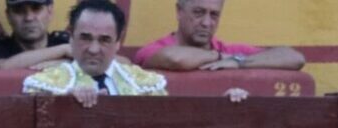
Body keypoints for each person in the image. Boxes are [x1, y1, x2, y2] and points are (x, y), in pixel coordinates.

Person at [24, 0, 246, 107]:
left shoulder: (145, 84)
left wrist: (222, 106)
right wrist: (63, 105)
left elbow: (176, 126)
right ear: (70, 37)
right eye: (85, 38)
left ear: (118, 43)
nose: (93, 49)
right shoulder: (44, 85)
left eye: (104, 40)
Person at [133, 0, 305, 72]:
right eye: (198, 12)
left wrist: (238, 62)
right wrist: (221, 57)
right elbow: (175, 59)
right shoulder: (154, 49)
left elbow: (294, 58)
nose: (207, 23)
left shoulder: (231, 51)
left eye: (214, 15)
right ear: (179, 12)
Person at [0, 0, 71, 70]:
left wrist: (67, 63)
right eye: (19, 10)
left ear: (49, 12)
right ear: (8, 16)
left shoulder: (64, 41)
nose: (29, 18)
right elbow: (1, 68)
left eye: (36, 8)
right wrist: (63, 50)